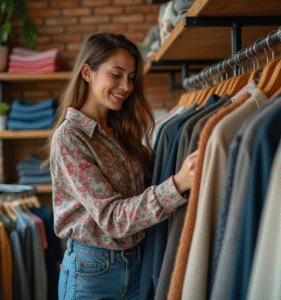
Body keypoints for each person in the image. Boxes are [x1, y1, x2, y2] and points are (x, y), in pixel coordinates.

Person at [45, 32, 198, 300]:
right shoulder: (70, 138)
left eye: (130, 77)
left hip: (137, 263)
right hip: (91, 272)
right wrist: (178, 184)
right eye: (116, 74)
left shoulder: (120, 131)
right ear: (87, 72)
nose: (126, 86)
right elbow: (113, 219)